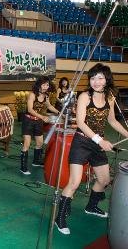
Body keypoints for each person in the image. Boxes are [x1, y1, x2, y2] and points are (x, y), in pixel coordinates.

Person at [55, 63, 128, 235]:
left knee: (104, 180)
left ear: (107, 79)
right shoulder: (84, 96)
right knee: (74, 182)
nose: (96, 81)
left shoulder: (110, 97)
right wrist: (99, 140)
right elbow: (80, 123)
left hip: (98, 144)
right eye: (93, 77)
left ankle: (91, 206)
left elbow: (112, 121)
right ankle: (60, 218)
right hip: (82, 142)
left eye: (100, 78)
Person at [20, 76, 59, 175]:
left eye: (47, 85)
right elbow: (30, 110)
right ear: (39, 85)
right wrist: (42, 117)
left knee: (39, 143)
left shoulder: (46, 96)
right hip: (28, 121)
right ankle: (23, 167)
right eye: (44, 84)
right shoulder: (32, 95)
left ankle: (36, 161)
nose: (46, 86)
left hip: (38, 122)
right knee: (27, 143)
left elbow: (49, 106)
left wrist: (60, 112)